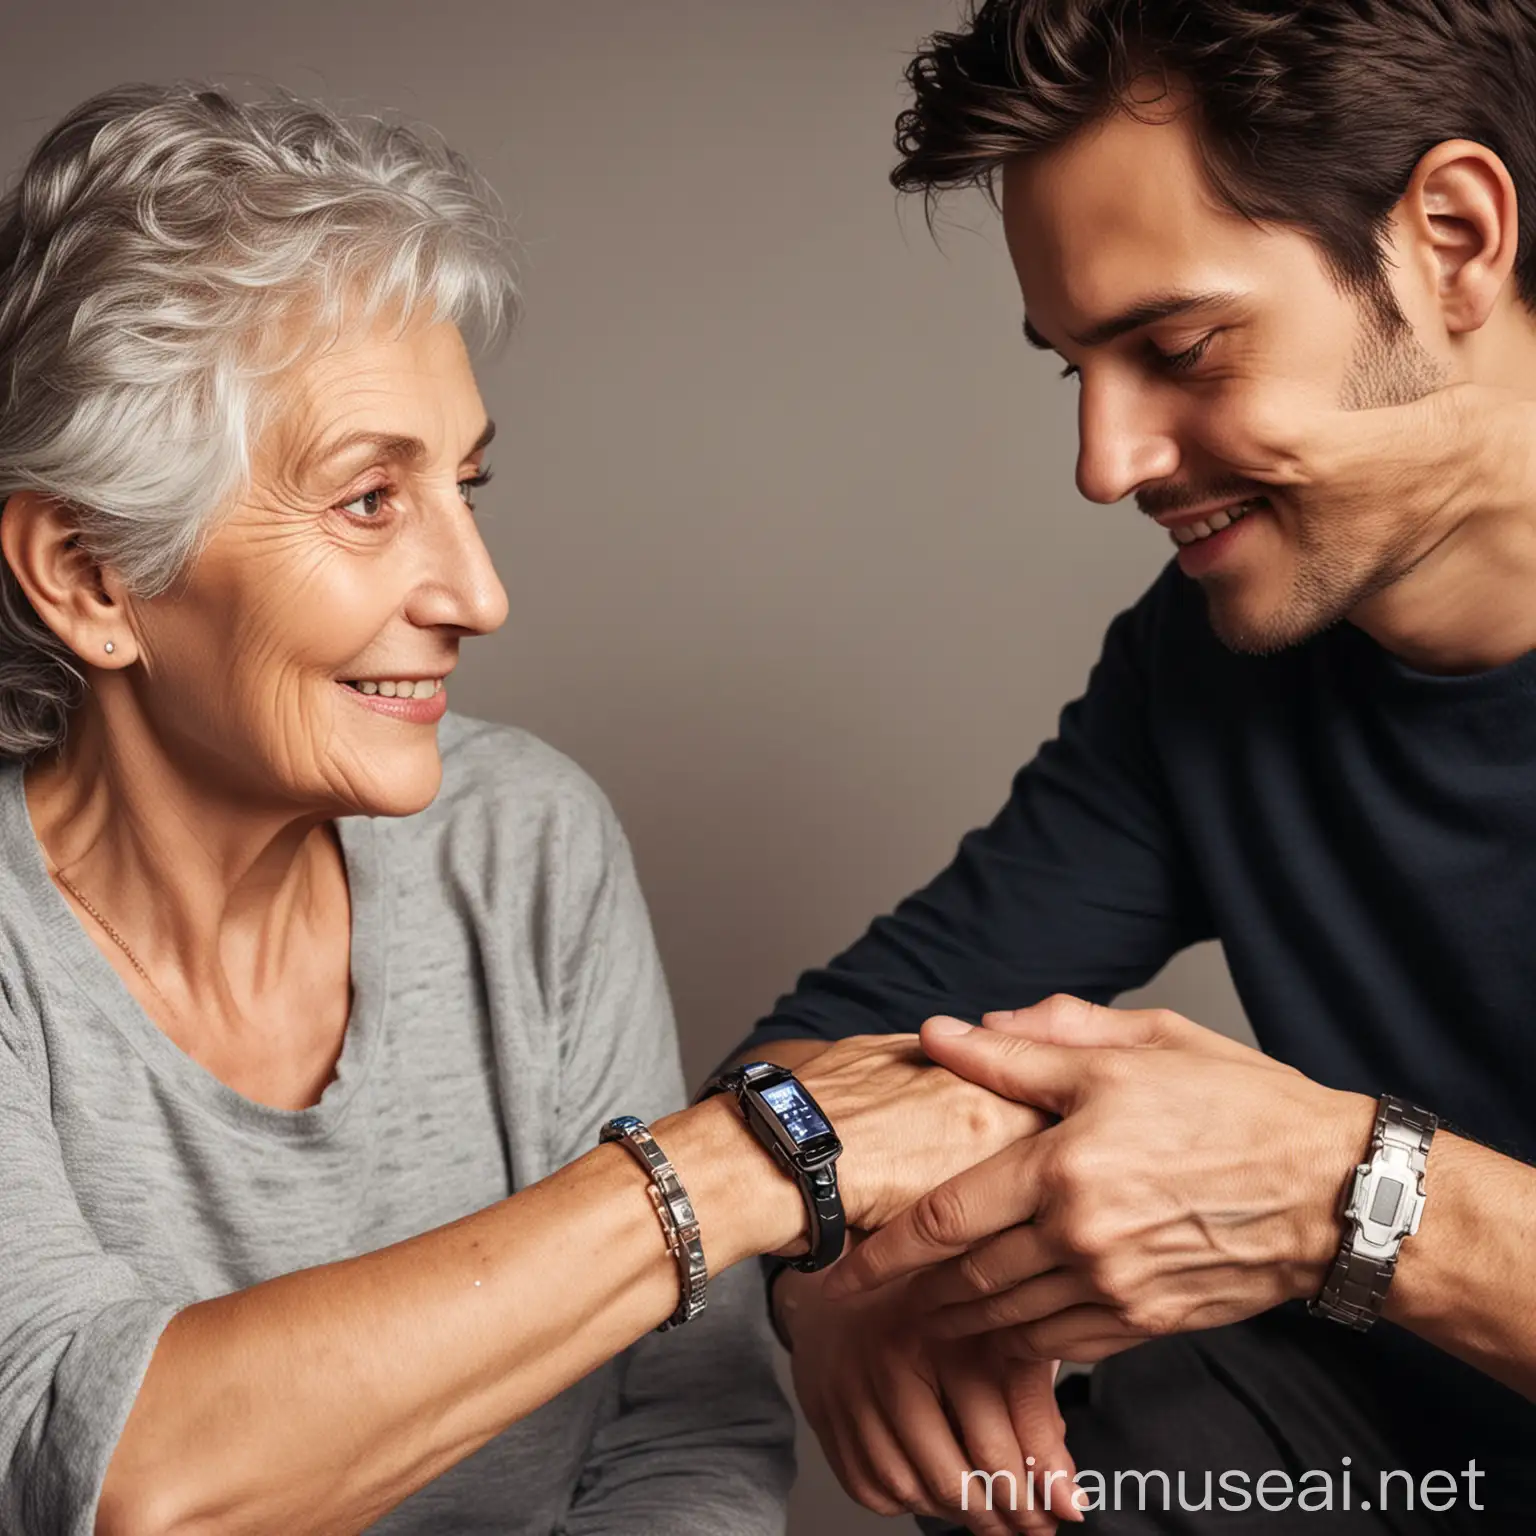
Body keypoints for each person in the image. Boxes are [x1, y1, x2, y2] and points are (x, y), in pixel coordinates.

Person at [0, 83, 1049, 1536]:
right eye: (371, 499)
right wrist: (745, 1164)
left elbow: (683, 1436)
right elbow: (126, 1477)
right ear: (89, 575)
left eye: (467, 485)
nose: (477, 594)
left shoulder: (524, 842)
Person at [730, 2, 1536, 1531]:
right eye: (1073, 372)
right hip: (1398, 1469)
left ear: (1453, 237)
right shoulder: (1207, 662)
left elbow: (1345, 1204)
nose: (1107, 465)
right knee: (1141, 1416)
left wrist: (1350, 1195)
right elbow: (830, 1050)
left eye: (1179, 348)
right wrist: (834, 1265)